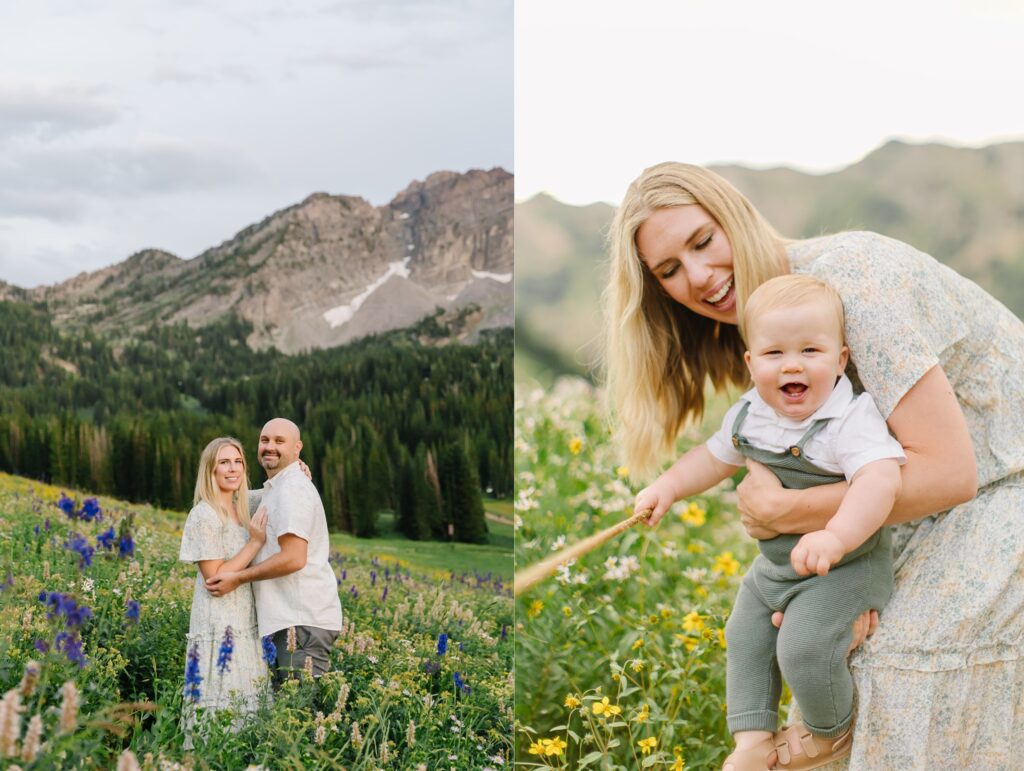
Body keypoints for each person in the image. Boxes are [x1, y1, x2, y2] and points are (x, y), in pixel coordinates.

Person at [605, 161, 1024, 769]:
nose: (698, 276)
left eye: (703, 241)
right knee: (809, 643)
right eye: (669, 270)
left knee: (884, 670)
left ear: (738, 216)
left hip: (1003, 485)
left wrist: (789, 510)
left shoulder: (854, 284)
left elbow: (951, 474)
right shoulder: (778, 319)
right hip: (916, 508)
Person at [634, 275, 904, 770]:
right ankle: (753, 737)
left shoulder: (849, 418)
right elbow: (712, 459)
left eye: (810, 350)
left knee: (802, 647)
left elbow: (880, 482)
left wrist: (835, 536)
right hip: (776, 569)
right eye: (775, 353)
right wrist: (667, 488)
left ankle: (830, 731)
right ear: (751, 363)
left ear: (840, 361)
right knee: (744, 633)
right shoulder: (751, 414)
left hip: (845, 566)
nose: (793, 364)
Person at [206, 418, 343, 685]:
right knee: (288, 716)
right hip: (289, 620)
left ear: (297, 448)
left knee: (299, 715)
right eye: (265, 440)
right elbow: (231, 495)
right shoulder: (277, 488)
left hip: (301, 621)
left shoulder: (292, 489)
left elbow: (294, 557)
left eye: (280, 441)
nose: (270, 447)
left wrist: (238, 577)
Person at [178, 436, 270, 749]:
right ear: (210, 471)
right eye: (224, 463)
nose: (233, 469)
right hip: (217, 620)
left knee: (246, 697)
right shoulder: (204, 514)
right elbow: (215, 578)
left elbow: (269, 491)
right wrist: (254, 543)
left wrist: (294, 471)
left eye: (238, 462)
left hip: (245, 618)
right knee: (220, 696)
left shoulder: (240, 507)